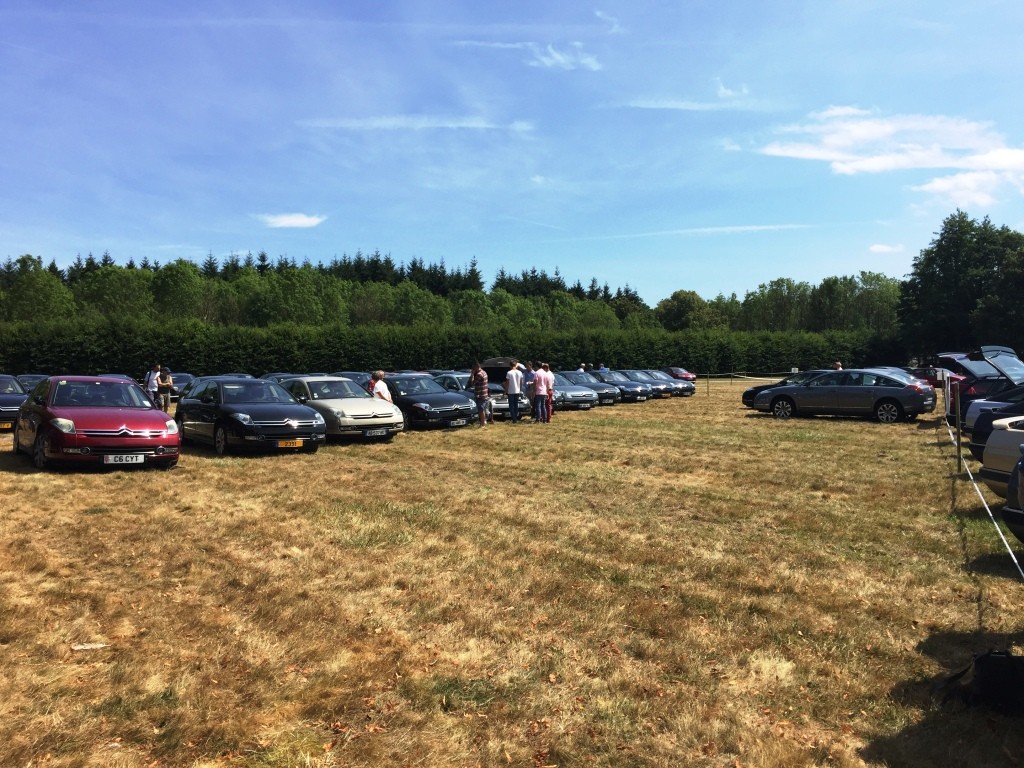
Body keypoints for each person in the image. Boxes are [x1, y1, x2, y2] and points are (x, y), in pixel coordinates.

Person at [504, 359, 524, 423]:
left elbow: (507, 383)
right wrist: (520, 389)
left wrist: (505, 391)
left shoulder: (509, 373)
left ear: (510, 365)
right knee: (516, 405)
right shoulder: (520, 372)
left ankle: (514, 418)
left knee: (511, 405)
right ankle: (515, 417)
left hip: (511, 391)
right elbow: (521, 382)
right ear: (516, 365)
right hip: (517, 391)